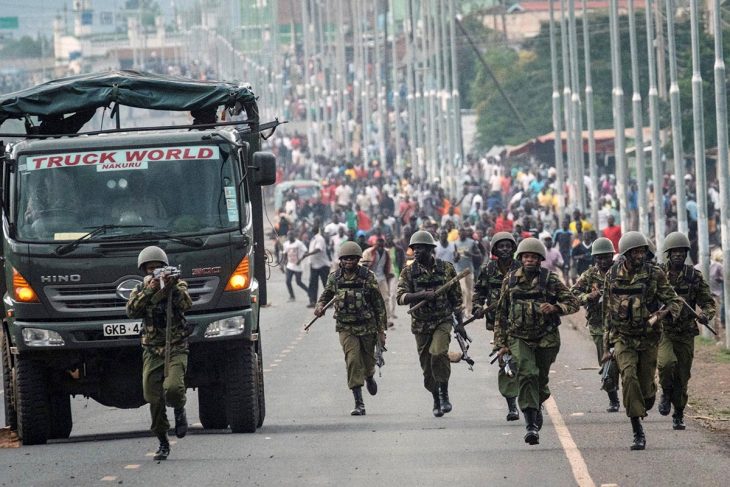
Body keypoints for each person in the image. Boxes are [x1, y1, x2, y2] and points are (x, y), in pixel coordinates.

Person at [494, 237, 579, 446]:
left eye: (533, 257)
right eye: (526, 257)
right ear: (521, 259)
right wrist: (501, 344)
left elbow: (573, 302)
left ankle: (537, 401)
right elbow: (501, 313)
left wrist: (556, 308)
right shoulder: (511, 279)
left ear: (540, 259)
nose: (529, 260)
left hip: (546, 337)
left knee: (540, 379)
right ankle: (531, 424)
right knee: (527, 373)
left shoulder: (550, 279)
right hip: (518, 336)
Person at [601, 231, 682, 451]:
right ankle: (637, 429)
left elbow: (674, 301)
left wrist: (662, 314)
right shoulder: (612, 275)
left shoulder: (654, 274)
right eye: (634, 252)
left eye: (641, 251)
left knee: (645, 389)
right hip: (623, 338)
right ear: (626, 254)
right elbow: (607, 311)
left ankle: (648, 397)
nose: (639, 255)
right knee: (628, 378)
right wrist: (605, 346)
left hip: (648, 338)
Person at [126, 246, 193, 461]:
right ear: (144, 271)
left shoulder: (177, 284)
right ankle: (162, 440)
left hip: (175, 346)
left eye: (158, 269)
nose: (154, 272)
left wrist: (172, 288)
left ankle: (179, 408)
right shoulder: (140, 289)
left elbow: (187, 304)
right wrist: (150, 290)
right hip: (152, 349)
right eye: (150, 269)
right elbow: (131, 311)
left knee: (173, 388)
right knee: (152, 397)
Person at [397, 230, 465, 417]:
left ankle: (444, 394)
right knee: (427, 369)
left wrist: (460, 324)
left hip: (442, 321)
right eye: (414, 249)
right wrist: (421, 295)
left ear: (429, 249)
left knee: (438, 353)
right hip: (420, 325)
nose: (416, 252)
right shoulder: (409, 272)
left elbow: (456, 298)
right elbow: (400, 298)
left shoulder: (447, 269)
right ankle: (435, 397)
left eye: (420, 248)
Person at [314, 242, 387, 415]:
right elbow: (326, 295)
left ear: (358, 260)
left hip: (367, 327)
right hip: (346, 327)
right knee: (352, 360)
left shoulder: (367, 277)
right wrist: (320, 306)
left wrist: (381, 331)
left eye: (352, 258)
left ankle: (369, 376)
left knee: (368, 363)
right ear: (341, 260)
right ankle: (359, 403)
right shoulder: (335, 277)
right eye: (345, 258)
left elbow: (378, 304)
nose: (348, 261)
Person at [657, 232, 716, 430]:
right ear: (668, 254)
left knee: (682, 375)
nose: (678, 255)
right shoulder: (658, 274)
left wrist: (705, 315)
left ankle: (679, 413)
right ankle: (665, 392)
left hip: (686, 332)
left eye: (682, 252)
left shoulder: (693, 276)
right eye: (674, 252)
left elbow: (707, 302)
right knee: (666, 364)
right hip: (664, 330)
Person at [472, 232, 521, 422]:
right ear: (494, 250)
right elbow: (479, 291)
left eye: (508, 246)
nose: (505, 250)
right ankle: (512, 406)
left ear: (514, 248)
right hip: (498, 323)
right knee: (506, 360)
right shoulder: (488, 270)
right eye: (501, 246)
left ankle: (531, 397)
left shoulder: (522, 268)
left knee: (524, 361)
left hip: (524, 323)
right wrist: (477, 307)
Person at [571, 237, 620, 412]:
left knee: (624, 360)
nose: (602, 261)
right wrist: (587, 297)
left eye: (606, 257)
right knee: (606, 362)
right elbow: (572, 295)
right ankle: (613, 397)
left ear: (612, 256)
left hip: (621, 324)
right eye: (598, 258)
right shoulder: (589, 275)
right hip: (598, 325)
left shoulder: (620, 272)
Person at [362, 237, 395, 327]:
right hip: (371, 278)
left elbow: (389, 264)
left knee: (385, 299)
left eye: (382, 245)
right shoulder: (368, 252)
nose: (380, 247)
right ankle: (369, 319)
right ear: (375, 244)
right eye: (378, 244)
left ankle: (386, 320)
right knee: (369, 299)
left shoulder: (386, 252)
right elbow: (363, 264)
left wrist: (390, 273)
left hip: (382, 278)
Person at [454, 227, 480, 317]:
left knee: (469, 291)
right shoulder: (455, 243)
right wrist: (456, 257)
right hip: (459, 270)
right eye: (460, 233)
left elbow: (478, 254)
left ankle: (468, 312)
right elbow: (455, 259)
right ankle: (463, 307)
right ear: (458, 234)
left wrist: (470, 255)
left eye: (463, 232)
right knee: (463, 290)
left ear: (465, 234)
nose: (462, 234)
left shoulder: (471, 242)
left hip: (469, 270)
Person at [305, 223, 331, 308]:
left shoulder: (319, 238)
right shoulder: (313, 239)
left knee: (326, 284)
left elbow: (318, 249)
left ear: (313, 231)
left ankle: (329, 302)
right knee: (313, 284)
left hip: (323, 265)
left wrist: (308, 254)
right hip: (314, 265)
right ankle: (313, 301)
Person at [282, 231, 310, 302]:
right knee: (288, 281)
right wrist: (283, 263)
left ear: (294, 235)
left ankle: (309, 292)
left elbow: (306, 252)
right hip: (290, 265)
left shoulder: (299, 243)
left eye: (291, 234)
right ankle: (292, 296)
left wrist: (300, 260)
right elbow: (285, 253)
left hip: (298, 266)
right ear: (287, 236)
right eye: (288, 235)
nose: (290, 236)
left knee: (298, 282)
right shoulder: (286, 244)